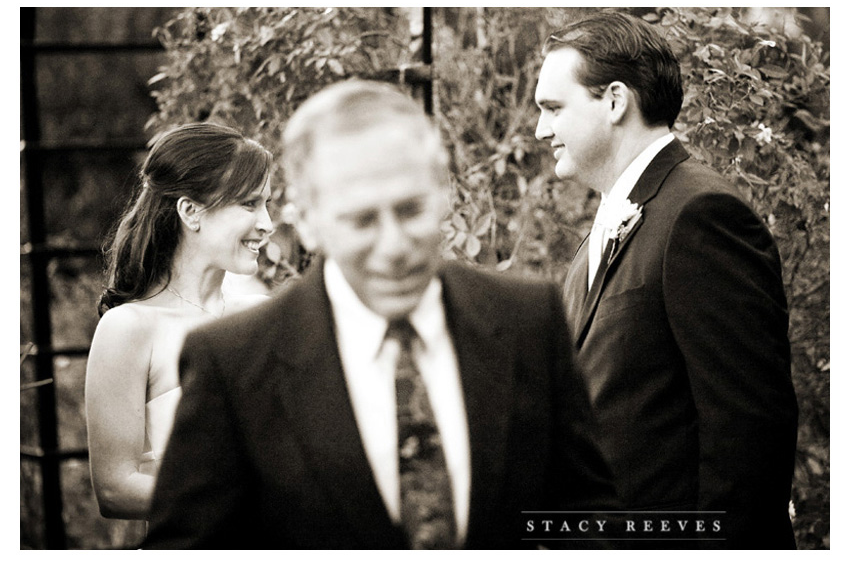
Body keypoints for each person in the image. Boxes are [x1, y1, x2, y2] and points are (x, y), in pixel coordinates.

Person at [143, 79, 617, 549]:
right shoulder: (234, 362)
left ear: (443, 195)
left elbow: (587, 517)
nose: (394, 247)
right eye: (362, 220)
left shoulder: (528, 320)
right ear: (307, 222)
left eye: (411, 210)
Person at [534, 11, 799, 548]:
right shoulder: (604, 231)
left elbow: (748, 438)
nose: (541, 130)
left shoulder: (703, 215)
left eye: (553, 108)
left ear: (614, 101)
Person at [85, 123, 275, 535]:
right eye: (249, 204)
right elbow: (115, 489)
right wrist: (238, 497)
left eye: (267, 205)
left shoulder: (261, 316)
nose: (268, 223)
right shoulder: (129, 328)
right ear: (191, 212)